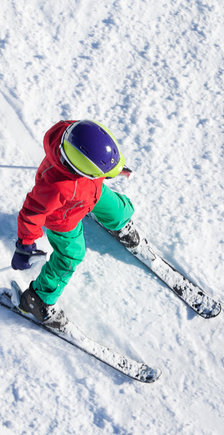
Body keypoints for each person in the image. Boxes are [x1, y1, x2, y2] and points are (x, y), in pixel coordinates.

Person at [11, 120, 139, 328]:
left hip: (90, 192)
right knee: (71, 256)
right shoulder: (56, 187)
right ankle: (38, 300)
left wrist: (113, 167)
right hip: (64, 218)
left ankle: (119, 223)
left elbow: (96, 148)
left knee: (119, 210)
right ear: (81, 168)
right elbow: (31, 213)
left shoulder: (76, 135)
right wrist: (25, 245)